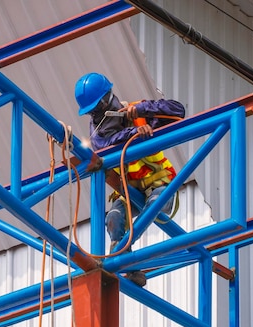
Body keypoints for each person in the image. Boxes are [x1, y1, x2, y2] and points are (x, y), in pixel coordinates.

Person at [74, 72, 186, 287]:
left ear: (108, 98)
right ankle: (130, 266)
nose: (96, 116)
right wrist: (135, 132)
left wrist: (142, 111)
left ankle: (120, 252)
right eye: (92, 112)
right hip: (128, 191)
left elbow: (178, 110)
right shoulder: (99, 135)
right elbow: (104, 144)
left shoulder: (139, 112)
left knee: (155, 206)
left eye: (98, 108)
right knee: (114, 219)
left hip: (158, 184)